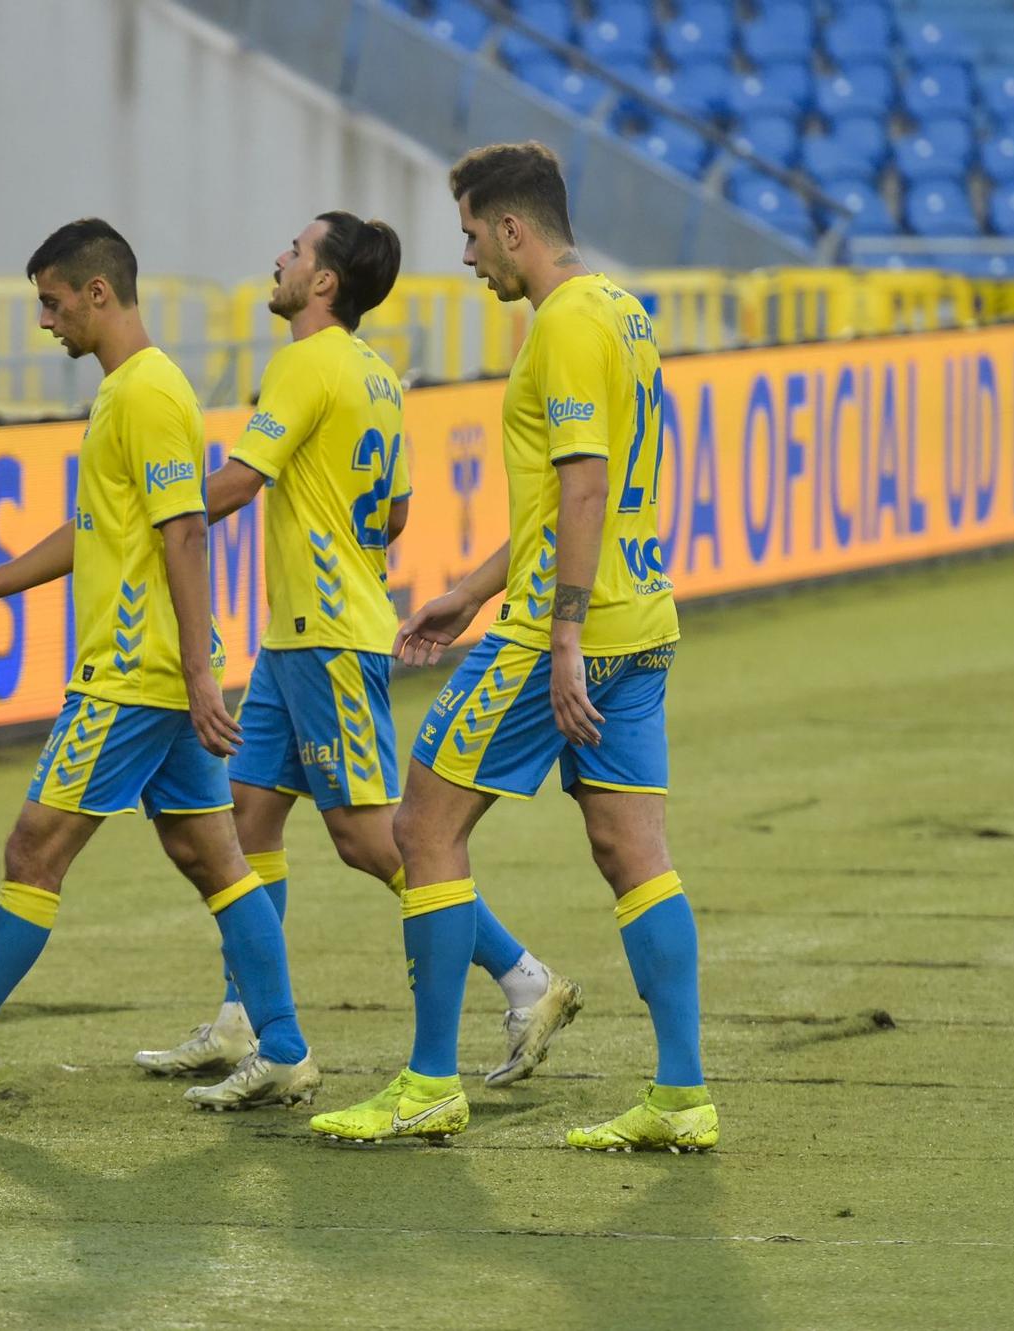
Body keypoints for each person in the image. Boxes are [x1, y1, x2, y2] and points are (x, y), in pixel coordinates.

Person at [0, 219, 320, 1112]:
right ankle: (284, 1048)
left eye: (53, 303)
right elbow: (105, 527)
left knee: (35, 847)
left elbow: (183, 529)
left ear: (99, 293)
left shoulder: (145, 394)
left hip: (134, 674)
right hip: (160, 673)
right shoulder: (131, 392)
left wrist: (197, 672)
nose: (46, 322)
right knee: (212, 856)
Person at [131, 213, 583, 1114]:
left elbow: (236, 485)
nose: (280, 256)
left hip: (327, 634)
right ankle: (244, 1020)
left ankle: (527, 978)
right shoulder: (377, 372)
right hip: (300, 637)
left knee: (374, 840)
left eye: (295, 250)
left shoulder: (306, 362)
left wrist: (143, 509)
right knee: (248, 822)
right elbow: (401, 510)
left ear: (326, 281)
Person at [324, 143, 714, 1150]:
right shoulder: (621, 311)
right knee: (632, 850)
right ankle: (681, 1094)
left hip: (565, 631)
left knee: (421, 824)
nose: (463, 257)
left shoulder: (564, 324)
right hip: (641, 617)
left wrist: (562, 635)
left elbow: (582, 485)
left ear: (510, 228)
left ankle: (426, 1080)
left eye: (465, 233)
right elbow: (564, 497)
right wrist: (462, 590)